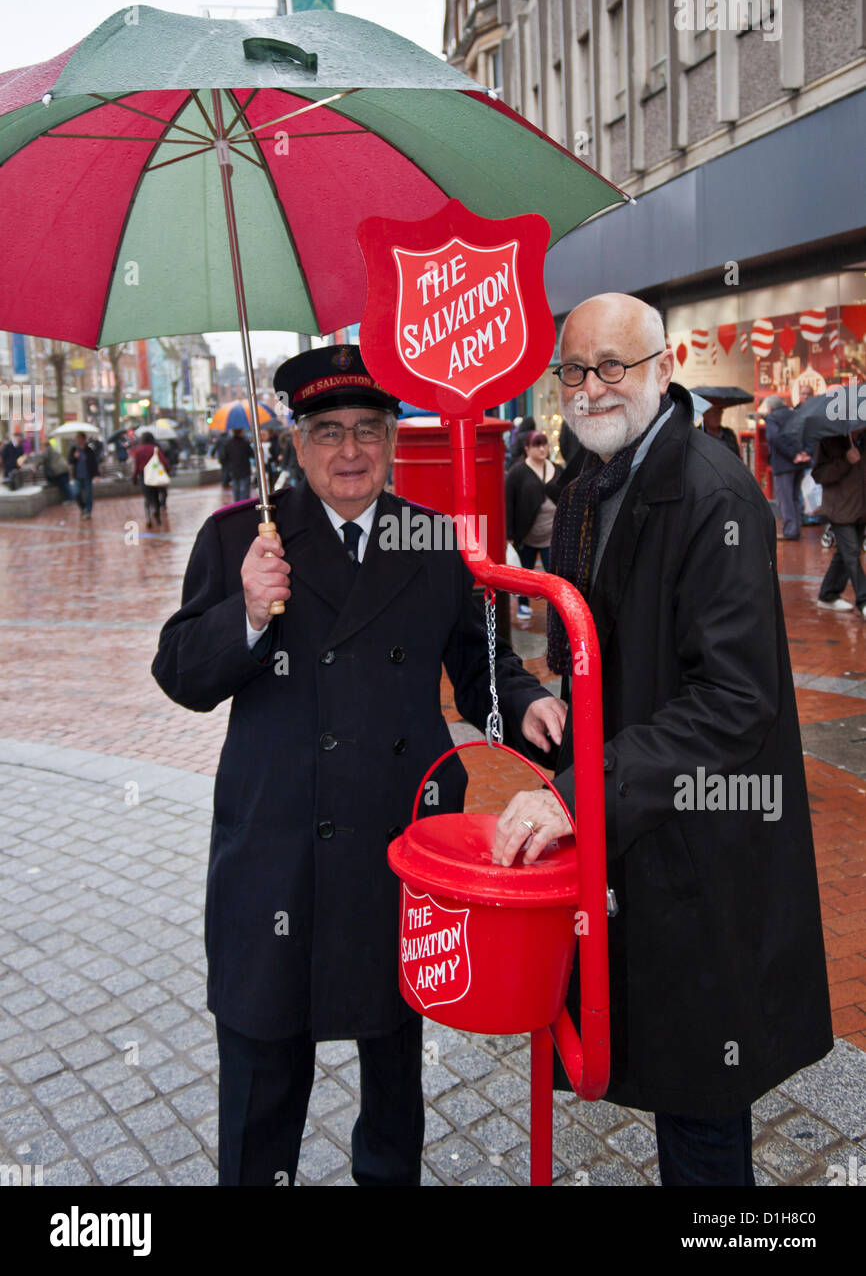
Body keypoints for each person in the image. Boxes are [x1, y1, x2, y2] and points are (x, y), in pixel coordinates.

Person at [151, 344, 565, 1187]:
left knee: (394, 1061)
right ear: (298, 446)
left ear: (391, 440)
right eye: (328, 431)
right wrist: (248, 612)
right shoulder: (241, 537)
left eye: (367, 430)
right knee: (262, 1071)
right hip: (278, 850)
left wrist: (524, 704)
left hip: (398, 844)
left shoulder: (431, 537)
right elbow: (182, 675)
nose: (349, 451)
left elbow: (479, 663)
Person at [492, 293, 832, 1187]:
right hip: (642, 823)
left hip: (700, 841)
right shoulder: (594, 477)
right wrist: (559, 707)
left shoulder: (712, 493)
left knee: (703, 1102)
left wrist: (580, 790)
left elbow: (734, 699)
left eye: (613, 365)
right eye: (573, 370)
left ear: (663, 368)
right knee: (673, 1075)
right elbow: (608, 641)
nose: (591, 388)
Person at [505, 431, 563, 621]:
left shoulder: (557, 468)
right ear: (527, 449)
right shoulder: (517, 472)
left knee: (554, 573)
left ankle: (556, 608)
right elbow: (508, 503)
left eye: (544, 444)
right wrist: (509, 533)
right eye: (537, 445)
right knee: (525, 572)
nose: (542, 449)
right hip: (526, 533)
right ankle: (523, 605)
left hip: (552, 533)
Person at [811, 430, 866, 616]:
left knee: (844, 553)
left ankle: (828, 595)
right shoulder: (829, 440)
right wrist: (846, 461)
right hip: (839, 508)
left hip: (860, 507)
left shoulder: (863, 439)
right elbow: (820, 475)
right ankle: (864, 600)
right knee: (851, 553)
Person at [761, 394, 810, 540]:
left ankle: (790, 530)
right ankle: (796, 527)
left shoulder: (772, 418)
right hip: (799, 463)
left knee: (785, 498)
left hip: (783, 464)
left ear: (770, 407)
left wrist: (792, 454)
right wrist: (801, 453)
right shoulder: (794, 414)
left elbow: (773, 437)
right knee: (795, 497)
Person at [131, 431, 172, 530]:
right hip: (155, 475)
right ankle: (157, 515)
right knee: (156, 496)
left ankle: (148, 517)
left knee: (147, 497)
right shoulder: (155, 449)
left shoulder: (138, 450)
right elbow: (163, 461)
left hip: (144, 476)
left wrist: (134, 477)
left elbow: (136, 466)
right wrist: (167, 470)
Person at [68, 432, 98, 518]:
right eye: (77, 438)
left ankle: (88, 511)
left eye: (80, 438)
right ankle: (83, 508)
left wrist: (96, 474)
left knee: (88, 494)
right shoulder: (74, 449)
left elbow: (93, 462)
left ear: (84, 439)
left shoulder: (89, 450)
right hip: (77, 475)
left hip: (87, 475)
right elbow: (70, 460)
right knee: (76, 493)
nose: (79, 440)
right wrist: (74, 457)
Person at [226, 427, 253, 503]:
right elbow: (251, 454)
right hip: (245, 469)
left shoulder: (229, 443)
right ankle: (245, 505)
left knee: (236, 490)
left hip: (234, 469)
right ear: (241, 432)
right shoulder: (245, 443)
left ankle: (237, 505)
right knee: (245, 490)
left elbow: (225, 456)